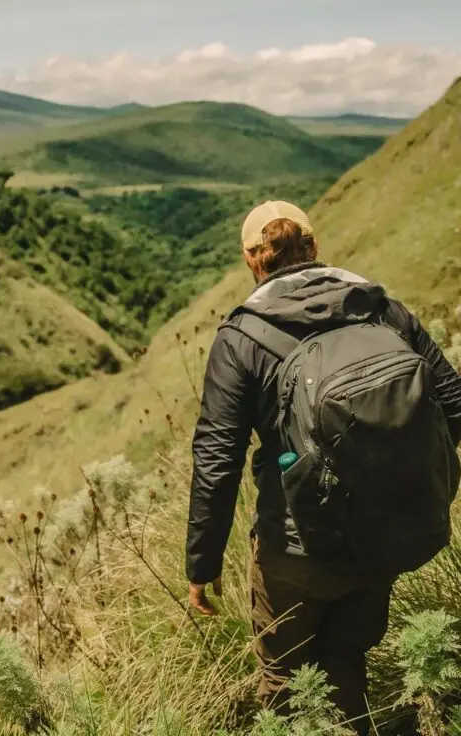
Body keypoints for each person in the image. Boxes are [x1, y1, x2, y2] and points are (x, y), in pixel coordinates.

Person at [185, 200, 461, 734]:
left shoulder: (241, 338)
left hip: (294, 548)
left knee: (286, 685)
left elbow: (217, 460)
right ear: (313, 247)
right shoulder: (382, 309)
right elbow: (452, 401)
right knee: (346, 663)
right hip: (381, 534)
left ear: (252, 261)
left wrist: (202, 564)